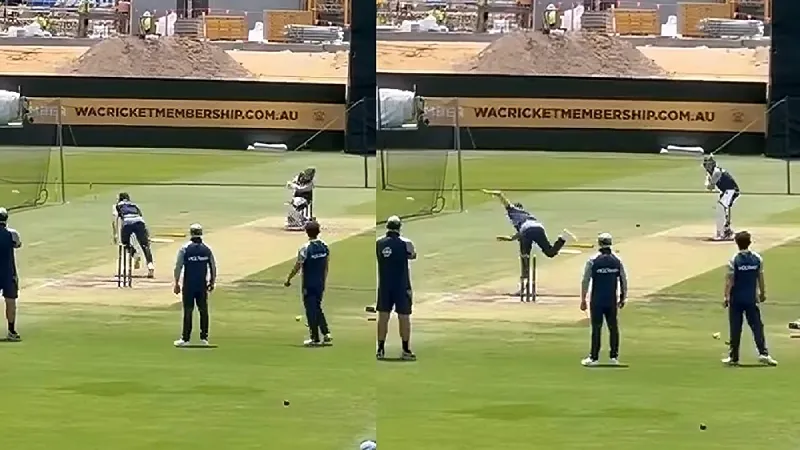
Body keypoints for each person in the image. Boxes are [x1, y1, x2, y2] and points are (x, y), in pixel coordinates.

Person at [483, 189, 573, 294]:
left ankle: (523, 286)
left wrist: (499, 195)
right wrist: (509, 238)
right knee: (550, 252)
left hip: (527, 231)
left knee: (525, 258)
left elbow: (507, 205)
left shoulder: (513, 211)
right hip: (538, 228)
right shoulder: (526, 215)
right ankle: (563, 237)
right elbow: (522, 232)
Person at [723, 231, 777, 366]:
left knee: (735, 328)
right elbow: (760, 277)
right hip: (751, 299)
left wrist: (726, 297)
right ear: (750, 242)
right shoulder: (757, 258)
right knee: (757, 326)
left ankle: (734, 357)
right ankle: (763, 353)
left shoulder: (734, 260)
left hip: (736, 299)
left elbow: (730, 281)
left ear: (736, 243)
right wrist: (763, 293)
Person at [580, 233, 626, 367]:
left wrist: (583, 299)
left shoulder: (593, 260)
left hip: (597, 300)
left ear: (599, 243)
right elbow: (623, 280)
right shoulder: (617, 260)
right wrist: (623, 296)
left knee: (596, 328)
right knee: (613, 328)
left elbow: (585, 281)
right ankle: (614, 357)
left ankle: (594, 358)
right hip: (611, 300)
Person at [284, 220, 331, 347]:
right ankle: (326, 333)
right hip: (320, 282)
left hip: (309, 284)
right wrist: (323, 280)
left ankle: (315, 338)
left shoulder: (305, 248)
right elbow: (326, 266)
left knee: (311, 310)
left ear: (307, 232)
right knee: (317, 307)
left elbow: (298, 265)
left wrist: (289, 278)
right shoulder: (324, 246)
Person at [376, 215, 417, 361]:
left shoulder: (379, 243)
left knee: (383, 317)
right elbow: (412, 255)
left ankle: (380, 349)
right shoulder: (406, 243)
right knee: (404, 317)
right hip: (402, 285)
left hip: (385, 285)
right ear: (399, 227)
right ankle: (405, 349)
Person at [173, 223, 216, 347]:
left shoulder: (185, 248)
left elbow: (178, 267)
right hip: (201, 285)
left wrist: (176, 283)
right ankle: (204, 338)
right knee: (203, 311)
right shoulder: (206, 249)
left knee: (188, 311)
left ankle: (185, 339)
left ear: (191, 233)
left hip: (189, 285)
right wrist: (212, 281)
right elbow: (213, 267)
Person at [112, 192, 155, 278]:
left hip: (127, 222)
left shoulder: (117, 205)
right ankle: (150, 265)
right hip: (139, 222)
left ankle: (134, 254)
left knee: (125, 242)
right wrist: (147, 235)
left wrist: (115, 234)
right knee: (145, 245)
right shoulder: (134, 205)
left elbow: (114, 220)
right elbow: (141, 218)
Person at [703, 155, 739, 241]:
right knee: (723, 209)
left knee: (720, 207)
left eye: (709, 164)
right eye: (706, 164)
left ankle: (721, 234)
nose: (707, 166)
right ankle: (727, 231)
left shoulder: (716, 172)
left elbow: (710, 187)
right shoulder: (711, 173)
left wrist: (708, 181)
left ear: (713, 164)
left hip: (731, 190)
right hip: (726, 191)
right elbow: (709, 186)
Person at [0, 208, 21, 341]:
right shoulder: (12, 234)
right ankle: (11, 331)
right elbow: (18, 244)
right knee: (11, 302)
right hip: (8, 272)